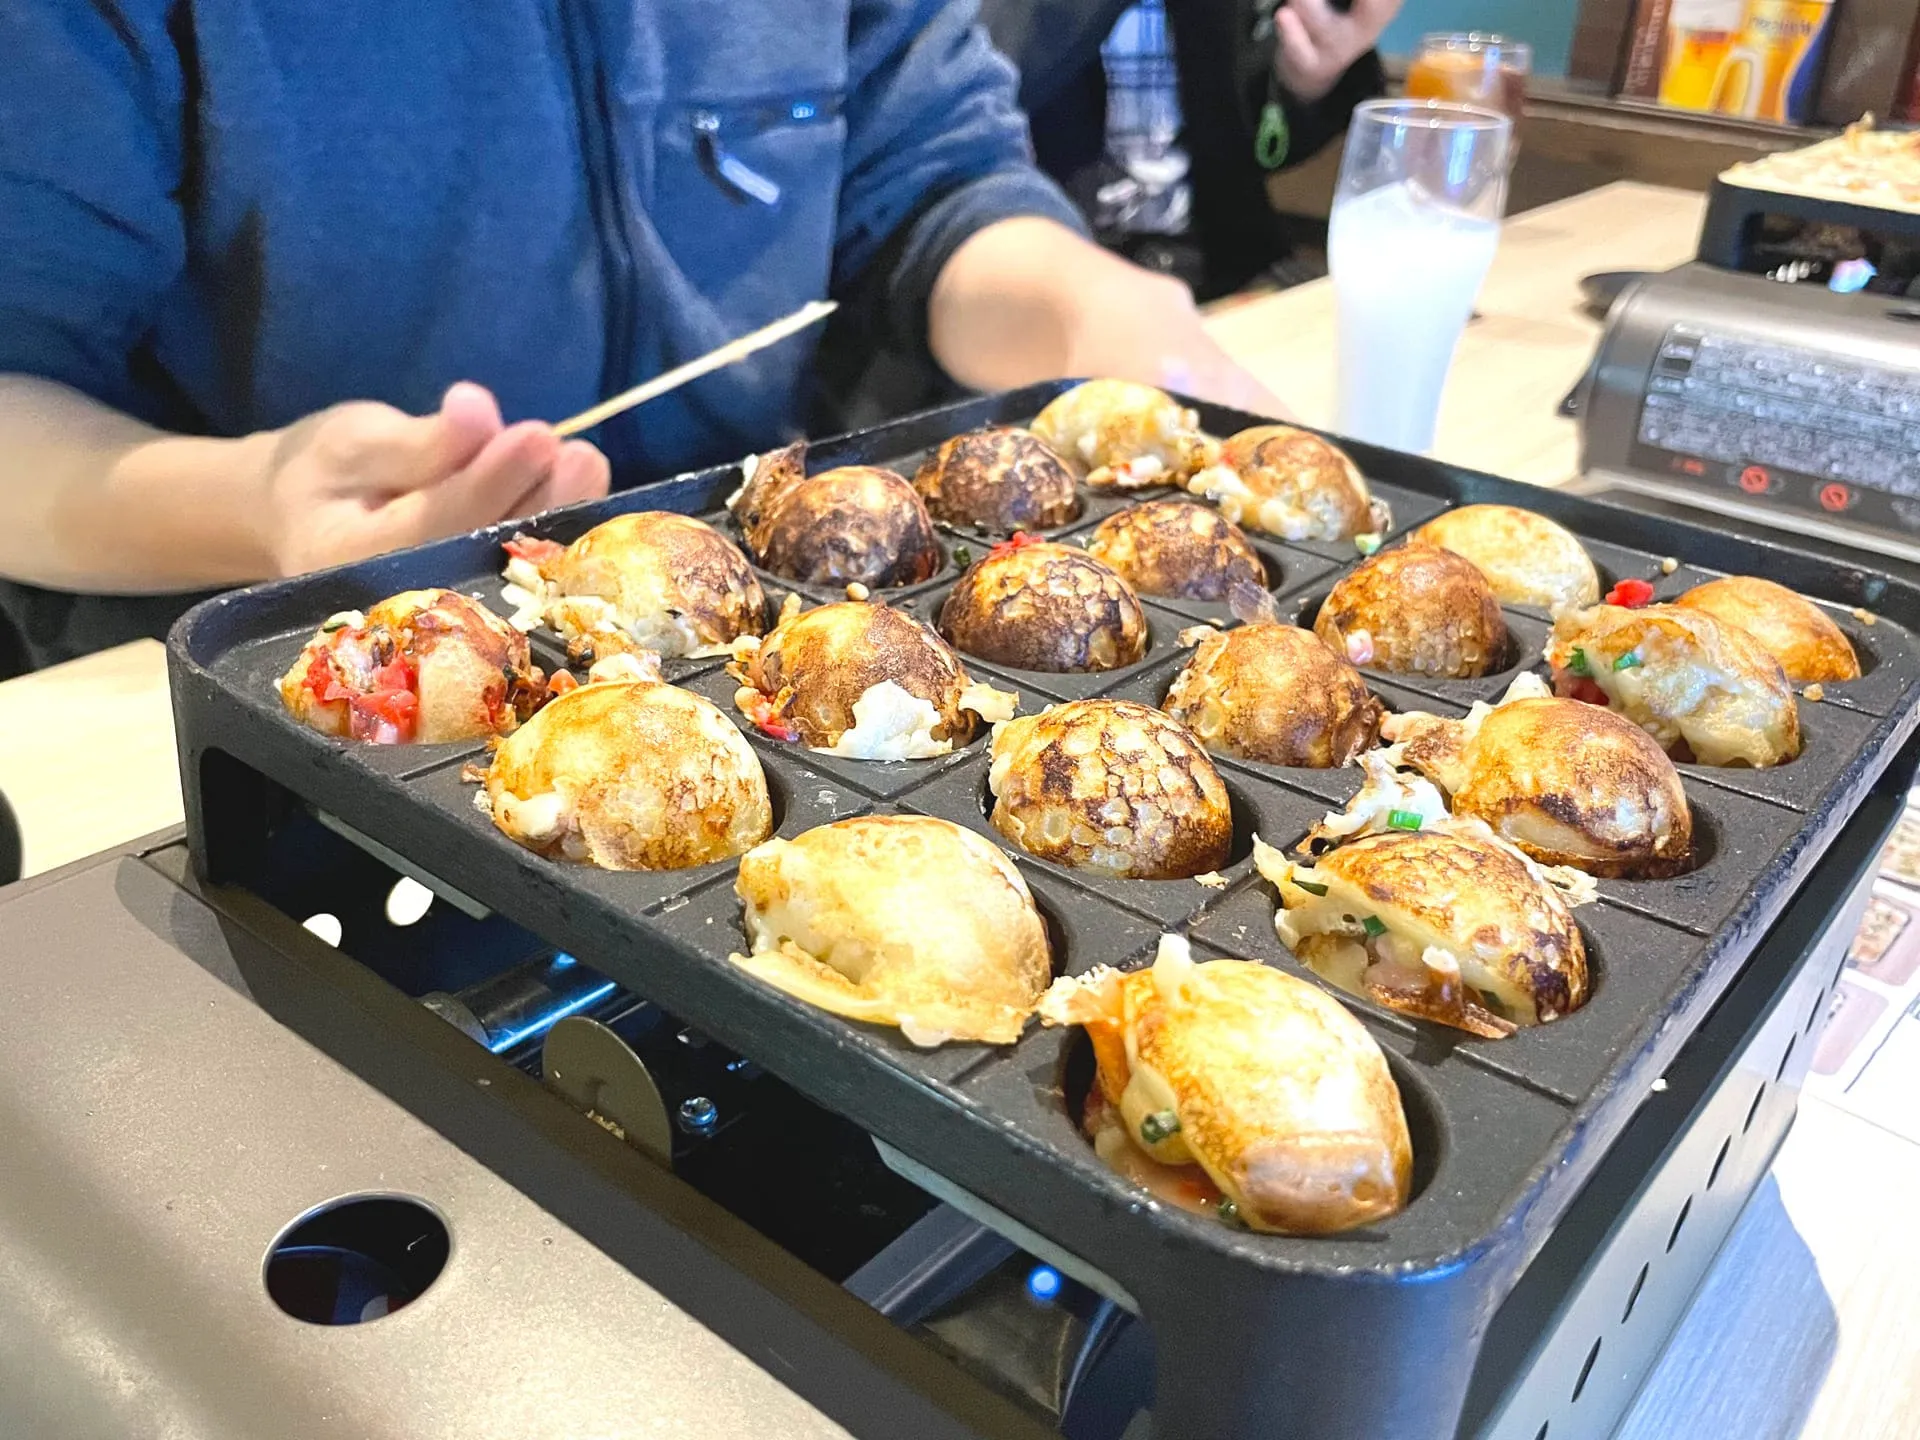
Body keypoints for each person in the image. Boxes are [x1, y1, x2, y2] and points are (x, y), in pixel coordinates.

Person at [0, 0, 1282, 673]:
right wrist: (261, 508)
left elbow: (928, 184)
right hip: (256, 659)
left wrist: (1082, 306)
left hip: (755, 608)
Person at [984, 0, 1400, 297]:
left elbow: (1256, 145)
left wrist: (1304, 83)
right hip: (1030, 280)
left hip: (1226, 272)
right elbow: (972, 107)